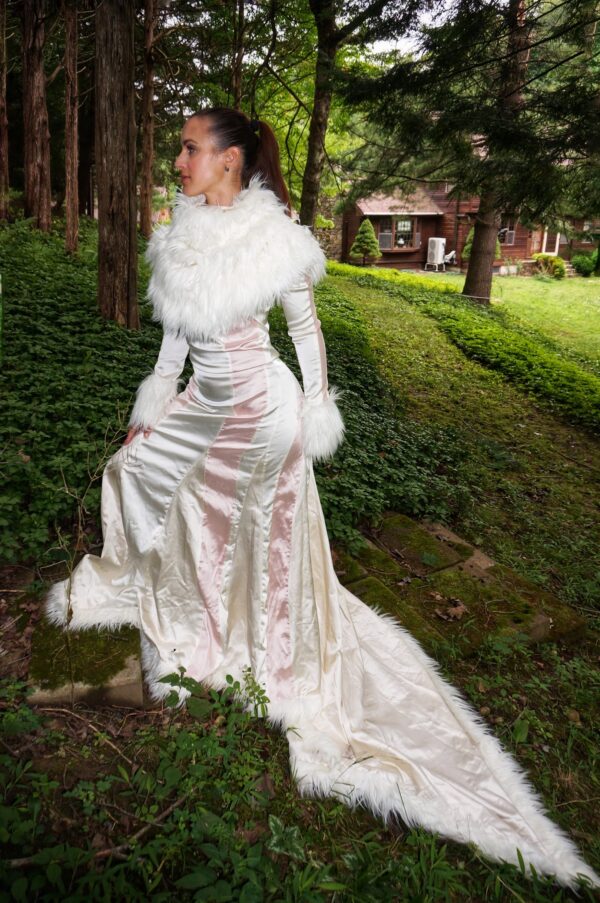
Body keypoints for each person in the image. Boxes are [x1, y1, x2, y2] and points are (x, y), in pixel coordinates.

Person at [46, 107, 598, 889]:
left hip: (264, 409)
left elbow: (305, 335)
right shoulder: (176, 232)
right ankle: (195, 609)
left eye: (190, 149)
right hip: (206, 402)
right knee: (132, 474)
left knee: (241, 520)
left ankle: (253, 635)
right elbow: (174, 335)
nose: (178, 160)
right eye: (179, 148)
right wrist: (154, 406)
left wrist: (315, 409)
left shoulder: (278, 240)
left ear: (231, 160)